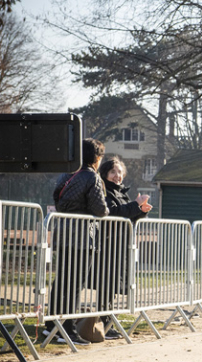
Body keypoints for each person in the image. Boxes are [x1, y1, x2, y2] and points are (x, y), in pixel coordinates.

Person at [43, 138, 109, 346]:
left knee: (61, 281)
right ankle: (68, 330)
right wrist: (105, 211)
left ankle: (52, 327)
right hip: (82, 238)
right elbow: (99, 209)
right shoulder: (92, 177)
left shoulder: (67, 175)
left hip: (63, 234)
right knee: (75, 284)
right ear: (97, 157)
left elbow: (57, 198)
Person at [96, 155, 152, 339]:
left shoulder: (122, 192)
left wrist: (140, 211)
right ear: (104, 174)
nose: (117, 176)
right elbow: (113, 213)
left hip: (120, 246)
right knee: (106, 287)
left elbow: (127, 217)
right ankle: (103, 324)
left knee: (112, 287)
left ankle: (108, 322)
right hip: (107, 246)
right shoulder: (104, 192)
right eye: (113, 172)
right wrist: (135, 205)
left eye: (119, 172)